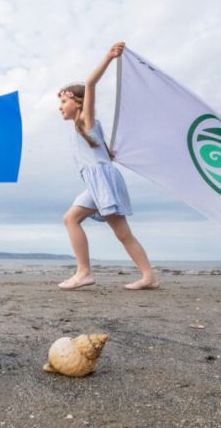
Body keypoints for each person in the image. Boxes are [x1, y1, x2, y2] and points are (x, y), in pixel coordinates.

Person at [56, 41, 159, 291]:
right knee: (72, 219)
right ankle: (87, 272)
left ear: (77, 102)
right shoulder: (84, 130)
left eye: (63, 103)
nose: (60, 107)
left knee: (119, 231)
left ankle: (91, 273)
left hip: (102, 180)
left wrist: (109, 57)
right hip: (96, 181)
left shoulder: (87, 120)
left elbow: (90, 85)